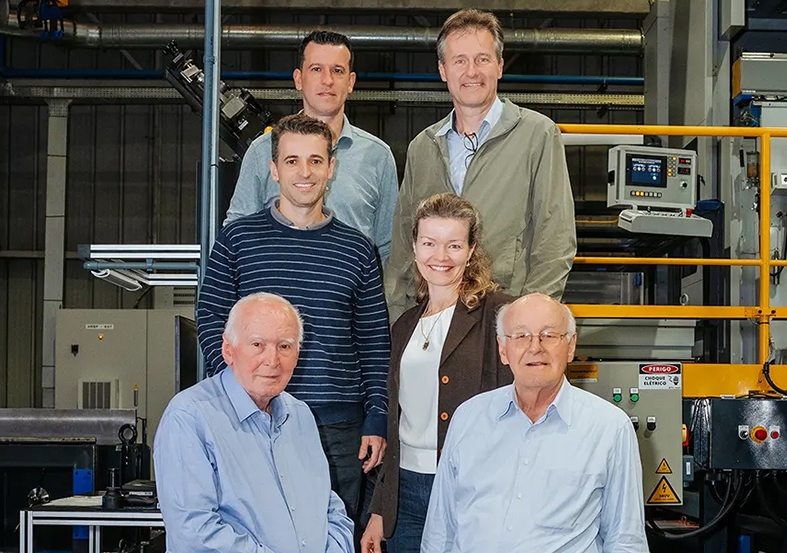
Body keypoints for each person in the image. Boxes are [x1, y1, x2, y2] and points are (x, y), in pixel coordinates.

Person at [197, 114, 391, 523]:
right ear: (273, 169)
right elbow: (212, 316)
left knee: (335, 536)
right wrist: (238, 386)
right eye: (292, 161)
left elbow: (374, 339)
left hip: (338, 428)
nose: (305, 173)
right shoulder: (237, 241)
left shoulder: (358, 250)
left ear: (331, 168)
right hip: (256, 420)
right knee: (259, 533)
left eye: (316, 161)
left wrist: (376, 415)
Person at [384, 8, 577, 319]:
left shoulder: (537, 135)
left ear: (499, 66)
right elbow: (404, 245)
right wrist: (400, 319)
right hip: (433, 318)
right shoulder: (423, 146)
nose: (471, 71)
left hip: (503, 316)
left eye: (482, 59)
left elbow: (555, 241)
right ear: (443, 70)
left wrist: (527, 322)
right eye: (459, 60)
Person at [420, 293, 648, 553]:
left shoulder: (609, 428)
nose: (535, 347)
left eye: (549, 335)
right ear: (503, 349)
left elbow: (626, 540)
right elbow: (440, 532)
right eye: (521, 336)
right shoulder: (468, 418)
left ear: (571, 346)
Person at [361, 193, 514, 553]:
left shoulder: (500, 314)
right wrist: (381, 509)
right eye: (429, 243)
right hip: (406, 493)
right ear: (414, 247)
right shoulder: (403, 326)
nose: (441, 257)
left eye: (454, 245)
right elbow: (399, 427)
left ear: (472, 249)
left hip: (473, 489)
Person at [155, 293, 355, 553]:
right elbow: (194, 532)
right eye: (258, 344)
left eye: (284, 346)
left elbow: (329, 506)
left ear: (298, 354)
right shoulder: (189, 417)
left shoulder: (301, 416)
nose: (272, 360)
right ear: (228, 350)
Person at [225, 30, 399, 263]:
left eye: (337, 71)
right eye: (316, 69)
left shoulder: (378, 156)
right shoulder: (262, 150)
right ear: (298, 79)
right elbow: (235, 236)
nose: (327, 80)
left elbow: (390, 248)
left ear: (351, 82)